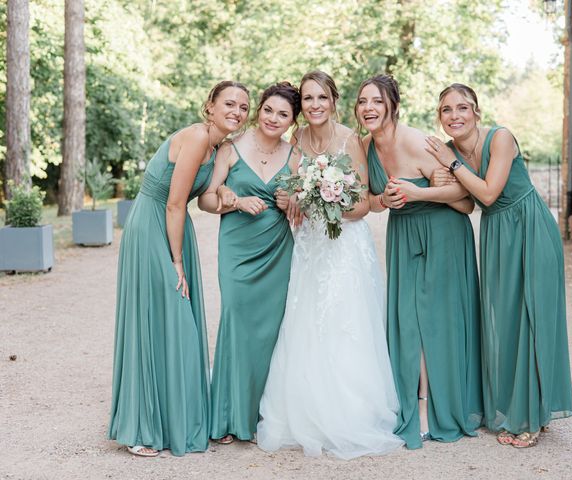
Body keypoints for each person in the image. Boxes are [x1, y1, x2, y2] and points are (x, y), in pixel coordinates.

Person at [256, 71, 403, 459]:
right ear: (301, 106)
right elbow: (287, 192)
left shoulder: (351, 140)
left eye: (322, 97)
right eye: (307, 99)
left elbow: (363, 204)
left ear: (334, 101)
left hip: (344, 247)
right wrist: (293, 200)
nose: (315, 105)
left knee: (345, 322)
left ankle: (351, 412)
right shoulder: (296, 140)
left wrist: (325, 195)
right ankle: (302, 410)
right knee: (305, 322)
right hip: (309, 246)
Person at [426, 83, 572, 448]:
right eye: (447, 110)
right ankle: (515, 406)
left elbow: (489, 192)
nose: (455, 115)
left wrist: (452, 166)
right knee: (503, 321)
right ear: (440, 117)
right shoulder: (447, 151)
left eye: (463, 107)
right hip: (495, 233)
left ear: (476, 111)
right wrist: (433, 182)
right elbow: (466, 204)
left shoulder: (500, 138)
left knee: (529, 317)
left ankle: (529, 418)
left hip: (529, 227)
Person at [108, 81, 250, 457]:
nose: (237, 111)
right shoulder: (197, 138)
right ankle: (140, 428)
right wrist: (177, 262)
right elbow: (173, 203)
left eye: (243, 107)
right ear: (210, 106)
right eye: (229, 104)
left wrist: (224, 195)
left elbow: (201, 197)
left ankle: (173, 421)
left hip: (172, 227)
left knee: (173, 324)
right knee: (162, 318)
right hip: (154, 226)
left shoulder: (219, 146)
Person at [356, 74, 483, 450]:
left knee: (434, 321)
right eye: (363, 102)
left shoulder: (416, 142)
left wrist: (417, 191)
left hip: (442, 233)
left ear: (392, 104)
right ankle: (407, 400)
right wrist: (385, 201)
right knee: (406, 319)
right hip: (404, 233)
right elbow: (367, 199)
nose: (368, 109)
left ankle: (432, 408)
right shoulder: (364, 147)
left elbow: (464, 200)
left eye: (376, 101)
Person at [199, 82, 301, 445]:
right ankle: (227, 415)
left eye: (283, 114)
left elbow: (300, 211)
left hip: (277, 250)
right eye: (269, 110)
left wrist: (292, 201)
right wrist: (231, 199)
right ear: (259, 109)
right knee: (236, 323)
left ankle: (261, 415)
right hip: (238, 251)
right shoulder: (229, 149)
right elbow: (206, 200)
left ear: (292, 120)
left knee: (269, 333)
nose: (274, 118)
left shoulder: (294, 155)